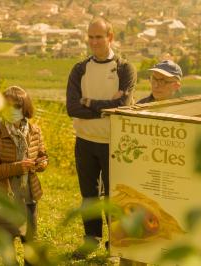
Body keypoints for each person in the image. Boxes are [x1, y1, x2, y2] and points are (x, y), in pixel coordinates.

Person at [66, 17, 136, 258]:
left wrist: (90, 103)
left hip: (114, 143)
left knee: (114, 197)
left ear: (110, 37)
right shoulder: (79, 69)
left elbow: (123, 106)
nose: (94, 41)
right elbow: (72, 108)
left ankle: (115, 244)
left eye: (99, 37)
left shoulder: (125, 68)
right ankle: (91, 239)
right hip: (84, 141)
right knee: (89, 195)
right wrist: (106, 107)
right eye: (91, 36)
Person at [0, 86, 48, 264]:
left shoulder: (35, 131)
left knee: (30, 241)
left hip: (28, 196)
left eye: (17, 107)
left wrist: (42, 163)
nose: (12, 111)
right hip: (5, 197)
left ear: (25, 108)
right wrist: (19, 167)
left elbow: (42, 154)